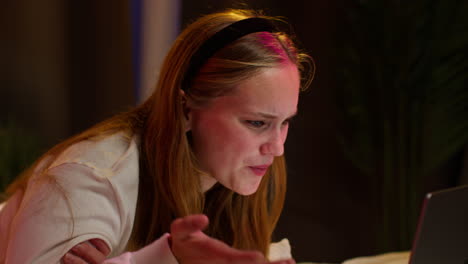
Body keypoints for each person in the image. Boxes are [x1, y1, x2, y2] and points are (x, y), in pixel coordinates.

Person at [0, 8, 314, 264]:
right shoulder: (90, 182)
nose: (276, 148)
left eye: (285, 123)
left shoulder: (234, 176)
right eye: (257, 122)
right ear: (185, 109)